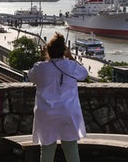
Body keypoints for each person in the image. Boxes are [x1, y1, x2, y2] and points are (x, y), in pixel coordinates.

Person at [28, 32, 88, 162]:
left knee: (47, 150)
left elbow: (30, 76)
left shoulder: (40, 67)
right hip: (68, 112)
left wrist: (45, 58)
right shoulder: (71, 66)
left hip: (46, 114)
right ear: (64, 51)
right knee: (71, 149)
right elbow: (84, 74)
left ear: (48, 51)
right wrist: (70, 57)